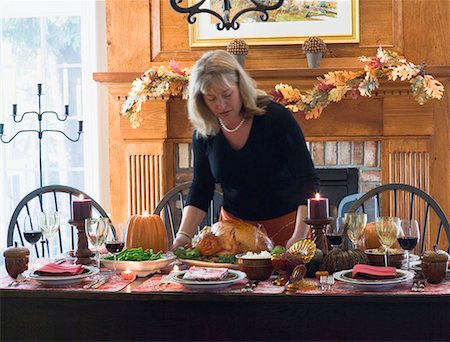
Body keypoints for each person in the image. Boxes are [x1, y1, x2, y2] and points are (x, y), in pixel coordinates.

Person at [172, 50, 319, 250]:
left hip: (288, 229)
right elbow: (201, 188)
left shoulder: (276, 118)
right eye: (211, 98)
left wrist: (299, 237)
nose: (221, 105)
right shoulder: (204, 132)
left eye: (226, 94)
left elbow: (308, 182)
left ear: (240, 86)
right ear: (200, 100)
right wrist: (183, 235)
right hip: (232, 236)